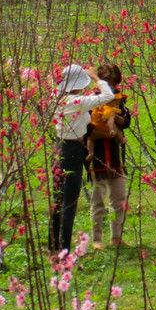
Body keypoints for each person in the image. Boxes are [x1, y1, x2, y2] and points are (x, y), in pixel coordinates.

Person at [49, 64, 117, 256]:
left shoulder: (57, 97)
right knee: (69, 204)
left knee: (57, 201)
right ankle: (64, 251)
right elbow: (108, 96)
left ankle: (53, 248)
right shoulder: (77, 101)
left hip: (59, 148)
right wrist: (96, 78)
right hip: (73, 150)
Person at [87, 63, 131, 250]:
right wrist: (103, 132)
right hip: (97, 159)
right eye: (107, 84)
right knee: (98, 202)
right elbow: (87, 130)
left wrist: (113, 114)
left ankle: (116, 237)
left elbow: (126, 122)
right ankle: (96, 239)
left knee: (119, 201)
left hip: (115, 160)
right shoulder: (90, 102)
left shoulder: (120, 101)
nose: (111, 88)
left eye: (113, 84)